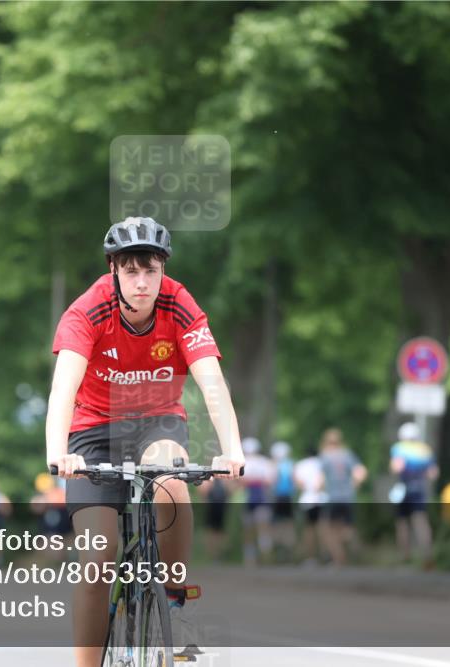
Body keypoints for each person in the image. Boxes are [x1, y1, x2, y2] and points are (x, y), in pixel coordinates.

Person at [45, 217, 245, 667]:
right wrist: (59, 452)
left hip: (158, 422)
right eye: (131, 271)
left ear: (163, 270)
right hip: (93, 432)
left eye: (150, 271)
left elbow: (212, 382)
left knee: (172, 482)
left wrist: (233, 447)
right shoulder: (87, 310)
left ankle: (176, 602)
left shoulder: (179, 304)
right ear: (113, 268)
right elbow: (62, 390)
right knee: (98, 556)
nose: (142, 282)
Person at [391, 422, 439, 567]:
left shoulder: (399, 448)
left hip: (404, 488)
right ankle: (427, 554)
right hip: (420, 489)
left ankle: (405, 555)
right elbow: (433, 473)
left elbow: (396, 468)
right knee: (421, 521)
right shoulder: (424, 449)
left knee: (402, 522)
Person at [319, 427, 367, 566]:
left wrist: (321, 488)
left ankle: (339, 558)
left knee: (329, 530)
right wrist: (354, 485)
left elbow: (320, 480)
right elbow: (361, 472)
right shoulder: (347, 455)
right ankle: (348, 547)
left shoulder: (325, 456)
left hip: (333, 497)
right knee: (346, 527)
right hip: (348, 497)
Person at [240, 437, 276, 566]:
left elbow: (238, 482)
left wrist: (249, 481)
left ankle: (250, 560)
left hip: (248, 499)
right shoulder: (265, 462)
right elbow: (271, 480)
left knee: (249, 531)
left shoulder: (242, 462)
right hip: (262, 499)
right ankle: (266, 558)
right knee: (263, 529)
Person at [293, 446, 325, 565]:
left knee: (309, 530)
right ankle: (326, 556)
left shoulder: (301, 465)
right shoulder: (322, 463)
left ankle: (311, 558)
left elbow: (298, 483)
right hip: (322, 498)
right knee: (324, 529)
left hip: (307, 499)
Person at [269, 441, 297, 560]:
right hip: (288, 497)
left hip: (277, 497)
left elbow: (271, 481)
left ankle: (279, 549)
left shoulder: (273, 464)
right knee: (289, 524)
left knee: (276, 525)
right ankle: (288, 550)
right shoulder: (291, 464)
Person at [196, 474, 230, 563]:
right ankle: (213, 554)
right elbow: (202, 491)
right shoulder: (208, 478)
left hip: (220, 508)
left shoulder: (224, 478)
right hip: (212, 507)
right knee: (211, 531)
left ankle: (218, 554)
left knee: (219, 531)